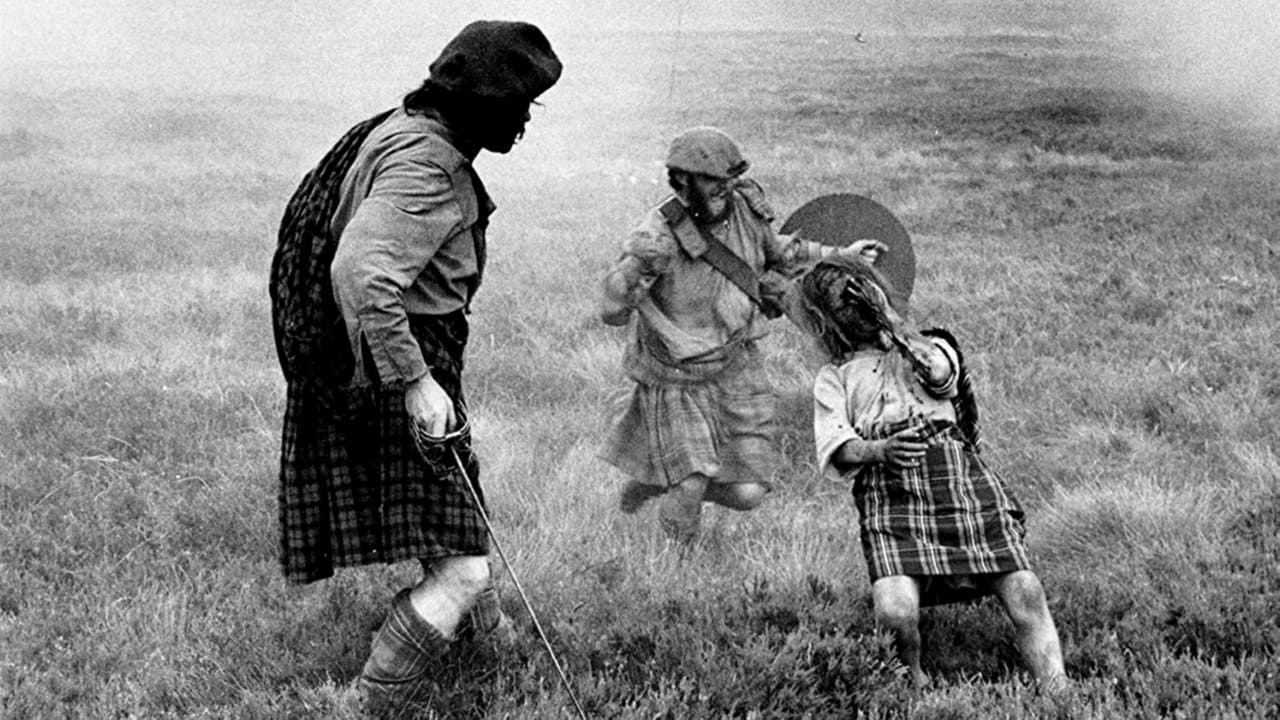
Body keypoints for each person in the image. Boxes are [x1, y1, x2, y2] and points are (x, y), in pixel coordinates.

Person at [272, 20, 561, 713]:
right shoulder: (423, 167)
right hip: (394, 363)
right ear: (480, 106)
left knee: (458, 518)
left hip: (384, 356)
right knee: (463, 571)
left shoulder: (404, 126)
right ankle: (372, 704)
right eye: (516, 106)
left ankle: (496, 654)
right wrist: (416, 382)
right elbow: (361, 273)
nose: (525, 120)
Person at [796, 255, 1066, 689]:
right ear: (827, 319)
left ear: (878, 289)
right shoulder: (835, 377)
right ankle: (915, 692)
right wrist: (878, 449)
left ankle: (1058, 695)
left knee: (1025, 591)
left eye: (858, 290)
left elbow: (941, 377)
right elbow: (838, 446)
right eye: (840, 301)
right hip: (891, 488)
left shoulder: (929, 346)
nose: (854, 304)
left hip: (957, 477)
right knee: (895, 613)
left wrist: (892, 323)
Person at [598, 126, 879, 543]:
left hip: (735, 366)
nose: (723, 189)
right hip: (676, 377)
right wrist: (628, 279)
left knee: (749, 492)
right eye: (712, 180)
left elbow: (780, 253)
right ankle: (675, 566)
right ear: (682, 181)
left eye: (728, 179)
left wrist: (839, 254)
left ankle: (660, 484)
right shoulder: (656, 236)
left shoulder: (744, 208)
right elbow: (611, 309)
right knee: (691, 479)